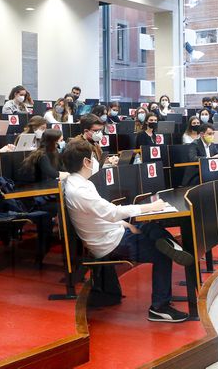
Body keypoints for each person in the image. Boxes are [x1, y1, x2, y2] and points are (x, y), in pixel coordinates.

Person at [62, 137, 194, 323]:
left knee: (150, 226)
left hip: (113, 232)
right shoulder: (79, 190)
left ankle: (173, 247)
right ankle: (159, 308)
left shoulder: (80, 183)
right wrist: (149, 208)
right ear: (86, 162)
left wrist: (122, 224)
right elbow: (112, 212)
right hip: (110, 243)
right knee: (161, 254)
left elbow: (102, 214)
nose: (96, 162)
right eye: (94, 157)